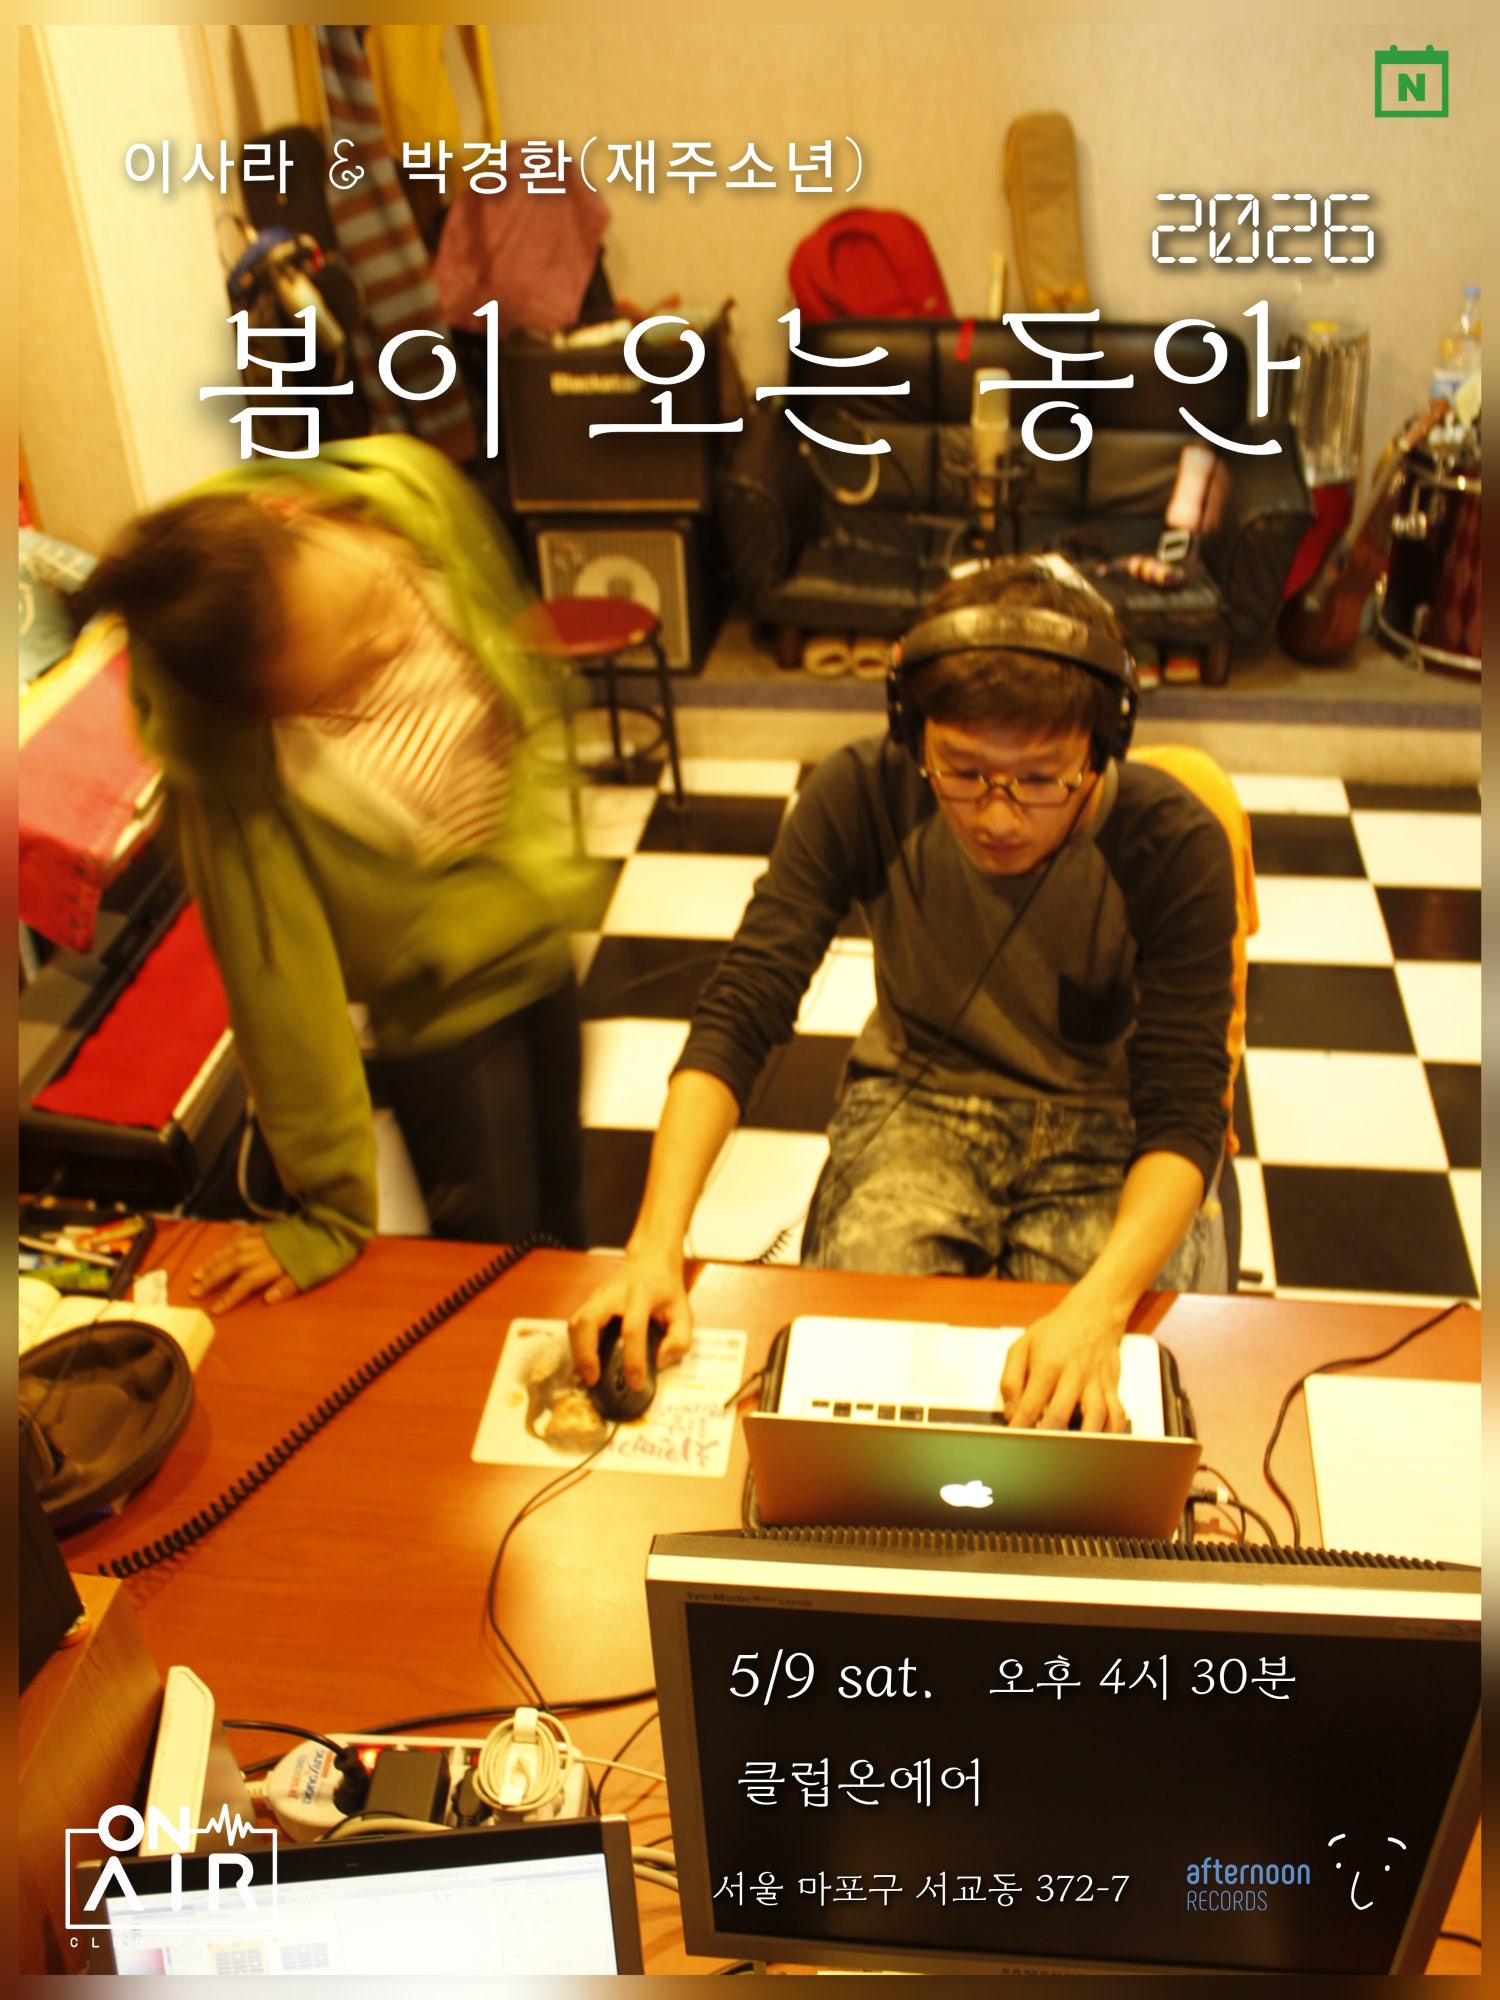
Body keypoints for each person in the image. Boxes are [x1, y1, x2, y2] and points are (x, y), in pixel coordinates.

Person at [569, 556, 1237, 1430]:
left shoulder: (1175, 844)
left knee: (1083, 1415)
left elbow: (1186, 1108)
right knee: (850, 1371)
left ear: (1103, 744)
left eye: (1042, 779)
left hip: (1107, 1126)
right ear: (910, 729)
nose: (997, 816)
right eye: (961, 770)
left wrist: (1102, 1306)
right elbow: (744, 1003)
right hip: (920, 1105)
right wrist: (653, 1246)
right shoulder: (861, 791)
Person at [74, 433, 594, 1313]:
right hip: (444, 1016)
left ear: (292, 512)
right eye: (338, 687)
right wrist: (331, 1211)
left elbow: (518, 674)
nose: (391, 637)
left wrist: (548, 862)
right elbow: (278, 976)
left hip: (541, 942)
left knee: (569, 1229)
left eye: (363, 607)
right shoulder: (225, 748)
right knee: (496, 1280)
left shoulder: (412, 495)